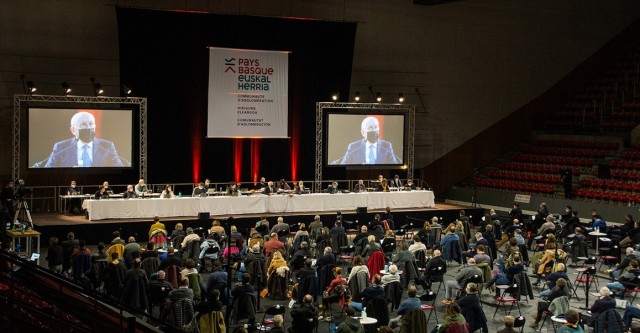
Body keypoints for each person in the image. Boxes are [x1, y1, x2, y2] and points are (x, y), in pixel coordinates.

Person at [44, 111, 123, 167]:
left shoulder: (107, 146)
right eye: (83, 125)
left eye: (91, 124)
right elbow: (48, 170)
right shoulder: (61, 147)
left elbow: (119, 167)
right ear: (73, 130)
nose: (88, 128)